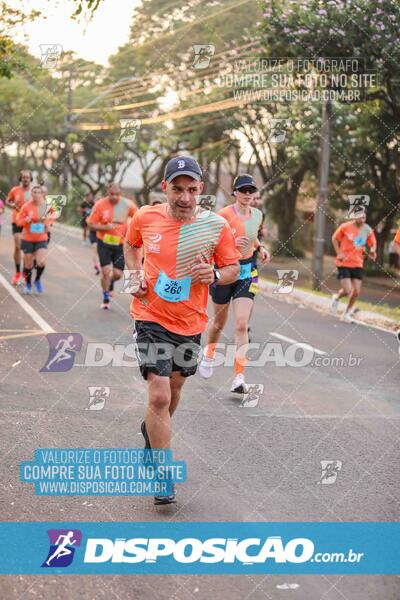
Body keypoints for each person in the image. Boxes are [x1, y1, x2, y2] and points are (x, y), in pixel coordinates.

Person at [124, 156, 240, 504]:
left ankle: (151, 431)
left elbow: (232, 266)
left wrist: (216, 276)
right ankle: (163, 475)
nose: (185, 197)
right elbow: (131, 244)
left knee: (174, 390)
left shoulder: (215, 226)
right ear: (165, 188)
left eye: (192, 189)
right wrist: (134, 273)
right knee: (158, 395)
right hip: (149, 316)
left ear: (200, 189)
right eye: (177, 189)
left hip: (190, 322)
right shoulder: (146, 216)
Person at [199, 174, 269, 392]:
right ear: (235, 192)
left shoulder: (258, 214)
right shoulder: (222, 215)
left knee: (241, 324)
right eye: (243, 190)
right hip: (225, 270)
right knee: (219, 324)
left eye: (251, 190)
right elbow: (209, 242)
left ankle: (239, 377)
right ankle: (209, 354)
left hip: (248, 271)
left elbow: (251, 235)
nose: (247, 194)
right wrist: (229, 242)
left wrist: (260, 247)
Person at [87, 183, 137, 309]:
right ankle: (105, 298)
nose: (114, 197)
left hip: (120, 244)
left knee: (118, 274)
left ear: (120, 193)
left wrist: (132, 229)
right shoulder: (99, 205)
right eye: (111, 194)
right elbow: (91, 224)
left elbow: (138, 217)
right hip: (104, 243)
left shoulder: (128, 204)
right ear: (107, 193)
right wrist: (105, 227)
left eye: (117, 194)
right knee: (105, 271)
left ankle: (110, 283)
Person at [331, 206, 377, 322]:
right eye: (360, 216)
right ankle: (337, 297)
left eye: (364, 217)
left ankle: (346, 314)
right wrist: (339, 253)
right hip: (344, 262)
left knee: (356, 291)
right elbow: (334, 238)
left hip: (358, 263)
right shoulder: (345, 227)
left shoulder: (367, 229)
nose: (362, 219)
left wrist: (372, 251)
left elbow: (373, 243)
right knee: (347, 290)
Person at [16, 185, 54, 295]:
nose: (36, 194)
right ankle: (28, 284)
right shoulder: (26, 206)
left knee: (41, 262)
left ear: (42, 194)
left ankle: (37, 280)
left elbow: (51, 221)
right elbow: (19, 222)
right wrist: (26, 220)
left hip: (41, 238)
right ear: (31, 194)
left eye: (39, 192)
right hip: (27, 238)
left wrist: (47, 224)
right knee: (28, 264)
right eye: (34, 192)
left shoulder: (47, 206)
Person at [6, 169, 33, 285]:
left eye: (27, 177)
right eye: (23, 177)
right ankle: (17, 273)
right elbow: (8, 201)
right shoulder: (15, 190)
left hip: (30, 223)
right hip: (17, 221)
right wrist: (12, 204)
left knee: (28, 250)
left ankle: (24, 273)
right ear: (20, 178)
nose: (25, 179)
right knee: (18, 246)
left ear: (30, 179)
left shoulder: (34, 192)